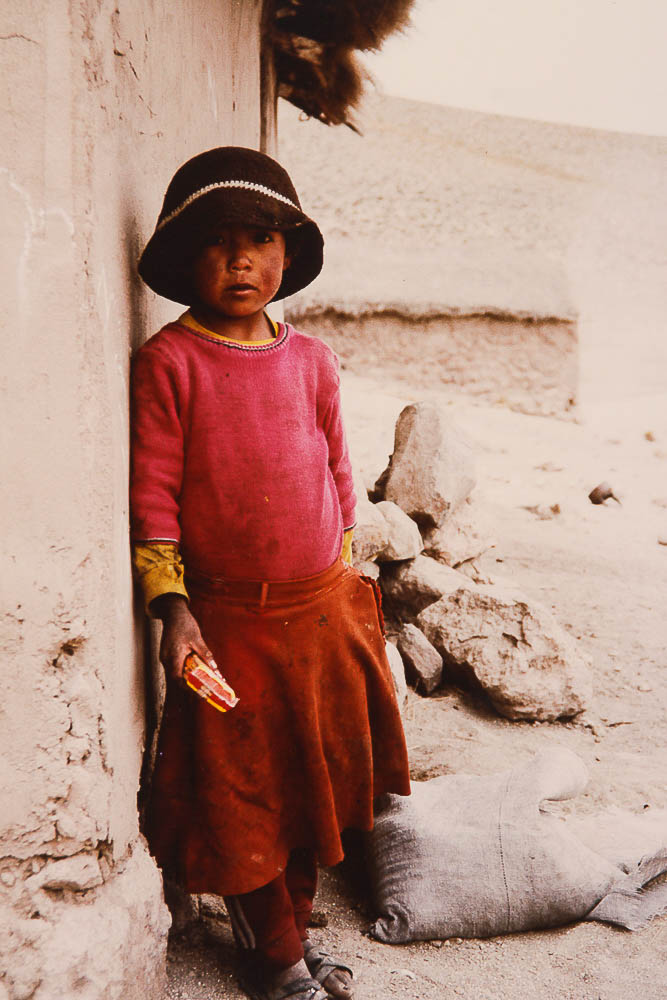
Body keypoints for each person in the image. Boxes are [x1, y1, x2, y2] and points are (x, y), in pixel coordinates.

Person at [130, 146, 411, 1000]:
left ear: (288, 253)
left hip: (321, 615)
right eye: (217, 242)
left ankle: (293, 933)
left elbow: (335, 471)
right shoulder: (170, 363)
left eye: (258, 239)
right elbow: (153, 499)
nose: (239, 259)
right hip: (229, 626)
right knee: (241, 789)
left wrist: (346, 577)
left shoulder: (312, 361)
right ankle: (278, 961)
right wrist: (174, 613)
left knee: (307, 779)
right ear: (185, 260)